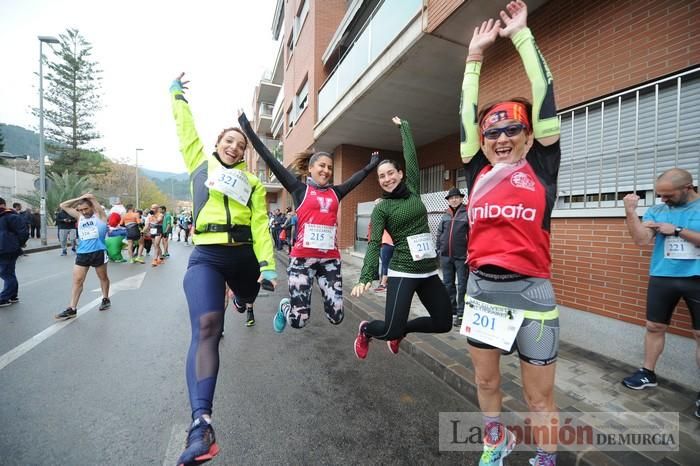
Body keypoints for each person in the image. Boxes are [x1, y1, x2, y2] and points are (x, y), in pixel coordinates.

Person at [459, 2, 561, 465]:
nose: (502, 138)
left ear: (528, 134)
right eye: (492, 132)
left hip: (534, 295)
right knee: (486, 383)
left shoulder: (541, 166)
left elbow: (545, 95)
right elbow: (465, 115)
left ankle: (544, 457)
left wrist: (522, 37)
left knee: (539, 398)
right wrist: (473, 60)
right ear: (482, 140)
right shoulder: (477, 170)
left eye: (513, 129)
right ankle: (494, 441)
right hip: (483, 293)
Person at [170, 72, 277, 466]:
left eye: (241, 144)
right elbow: (185, 128)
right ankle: (201, 424)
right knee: (206, 328)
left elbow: (261, 225)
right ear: (217, 144)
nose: (234, 146)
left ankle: (242, 298)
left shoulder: (252, 182)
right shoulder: (199, 164)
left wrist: (268, 265)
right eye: (228, 140)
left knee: (246, 296)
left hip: (244, 255)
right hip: (207, 256)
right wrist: (177, 96)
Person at [239, 110, 379, 333]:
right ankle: (285, 307)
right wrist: (246, 128)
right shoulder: (299, 189)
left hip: (329, 261)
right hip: (302, 261)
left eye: (330, 167)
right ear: (311, 168)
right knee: (298, 321)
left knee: (337, 316)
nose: (326, 170)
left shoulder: (336, 193)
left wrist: (370, 167)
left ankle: (306, 307)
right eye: (321, 166)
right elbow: (269, 158)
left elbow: (355, 180)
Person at [351, 117, 452, 359]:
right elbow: (375, 243)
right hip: (403, 271)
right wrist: (366, 275)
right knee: (387, 328)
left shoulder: (413, 190)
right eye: (381, 176)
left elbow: (412, 159)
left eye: (390, 173)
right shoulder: (382, 208)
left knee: (443, 322)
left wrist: (404, 128)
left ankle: (401, 331)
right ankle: (366, 330)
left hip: (428, 270)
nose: (387, 179)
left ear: (400, 173)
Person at [620, 168, 700, 418]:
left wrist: (676, 230)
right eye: (660, 195)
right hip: (663, 277)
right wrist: (631, 212)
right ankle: (647, 373)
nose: (663, 200)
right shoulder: (658, 210)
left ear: (688, 188)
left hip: (696, 278)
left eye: (668, 195)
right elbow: (641, 239)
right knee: (654, 326)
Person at [54, 193, 111, 320]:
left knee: (103, 277)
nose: (84, 212)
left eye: (86, 209)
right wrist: (79, 199)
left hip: (99, 251)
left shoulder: (100, 216)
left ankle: (105, 298)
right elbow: (63, 205)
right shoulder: (80, 216)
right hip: (83, 253)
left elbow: (97, 206)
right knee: (77, 280)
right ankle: (72, 308)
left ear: (92, 207)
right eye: (81, 209)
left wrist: (91, 198)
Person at [435, 187, 468, 326]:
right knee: (447, 285)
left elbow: (474, 234)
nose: (454, 199)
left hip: (462, 257)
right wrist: (438, 250)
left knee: (462, 286)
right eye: (451, 198)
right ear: (448, 200)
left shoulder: (467, 214)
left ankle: (461, 314)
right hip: (446, 257)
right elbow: (439, 233)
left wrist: (471, 252)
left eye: (456, 197)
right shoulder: (445, 215)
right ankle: (451, 311)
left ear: (461, 199)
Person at [0, 197, 29, 307]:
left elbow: (23, 232)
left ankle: (4, 298)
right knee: (9, 272)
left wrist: (17, 244)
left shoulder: (10, 216)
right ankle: (12, 295)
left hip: (8, 249)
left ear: (2, 205)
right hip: (4, 249)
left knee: (5, 273)